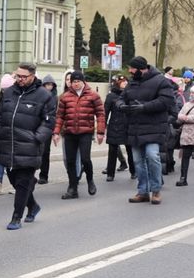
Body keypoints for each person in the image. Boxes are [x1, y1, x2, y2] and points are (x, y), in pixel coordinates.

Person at [0, 63, 55, 230]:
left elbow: (49, 121)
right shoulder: (9, 92)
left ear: (32, 76)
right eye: (18, 76)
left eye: (23, 77)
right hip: (8, 144)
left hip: (29, 146)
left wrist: (37, 138)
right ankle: (33, 206)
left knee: (22, 183)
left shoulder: (44, 95)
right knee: (14, 180)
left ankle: (16, 217)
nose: (20, 79)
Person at [118, 56, 175, 204]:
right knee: (138, 162)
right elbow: (121, 98)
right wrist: (120, 106)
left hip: (154, 128)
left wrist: (144, 107)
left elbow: (166, 101)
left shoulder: (161, 81)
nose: (129, 71)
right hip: (135, 128)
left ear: (141, 68)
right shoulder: (132, 83)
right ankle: (142, 191)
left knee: (153, 157)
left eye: (132, 68)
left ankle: (156, 190)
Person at [52, 70, 105, 199]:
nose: (75, 84)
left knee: (85, 159)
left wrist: (100, 132)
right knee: (70, 161)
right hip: (69, 132)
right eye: (73, 81)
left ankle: (90, 180)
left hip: (85, 132)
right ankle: (72, 188)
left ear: (83, 82)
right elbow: (60, 116)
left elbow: (100, 114)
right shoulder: (65, 96)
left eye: (78, 81)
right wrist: (56, 132)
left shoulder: (93, 95)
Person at [104, 75, 135, 181]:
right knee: (112, 150)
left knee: (130, 150)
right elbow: (105, 112)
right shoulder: (111, 96)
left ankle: (134, 171)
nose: (125, 83)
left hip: (127, 125)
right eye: (122, 81)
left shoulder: (130, 94)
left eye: (126, 81)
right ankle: (110, 173)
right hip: (114, 126)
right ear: (117, 83)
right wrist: (102, 127)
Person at [38, 74, 58, 184]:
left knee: (46, 151)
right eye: (46, 84)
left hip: (49, 126)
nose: (48, 87)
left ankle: (44, 175)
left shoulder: (55, 98)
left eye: (50, 85)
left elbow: (55, 114)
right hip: (39, 125)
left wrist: (55, 130)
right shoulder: (39, 95)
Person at [175, 85, 194, 186]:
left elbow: (185, 117)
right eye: (191, 93)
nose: (191, 95)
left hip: (193, 132)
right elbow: (179, 115)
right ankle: (183, 178)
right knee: (185, 157)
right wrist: (185, 117)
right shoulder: (187, 104)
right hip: (187, 134)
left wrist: (186, 118)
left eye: (193, 93)